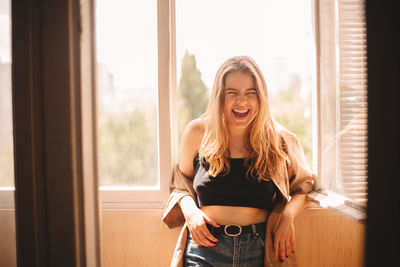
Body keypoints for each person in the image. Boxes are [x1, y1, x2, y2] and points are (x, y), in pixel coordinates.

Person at [162, 56, 315, 267]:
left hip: (260, 251)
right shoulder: (198, 132)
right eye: (231, 93)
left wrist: (288, 216)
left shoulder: (279, 140)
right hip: (203, 250)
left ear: (261, 97)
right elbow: (180, 185)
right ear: (219, 97)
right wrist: (190, 211)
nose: (241, 102)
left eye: (250, 94)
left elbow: (305, 187)